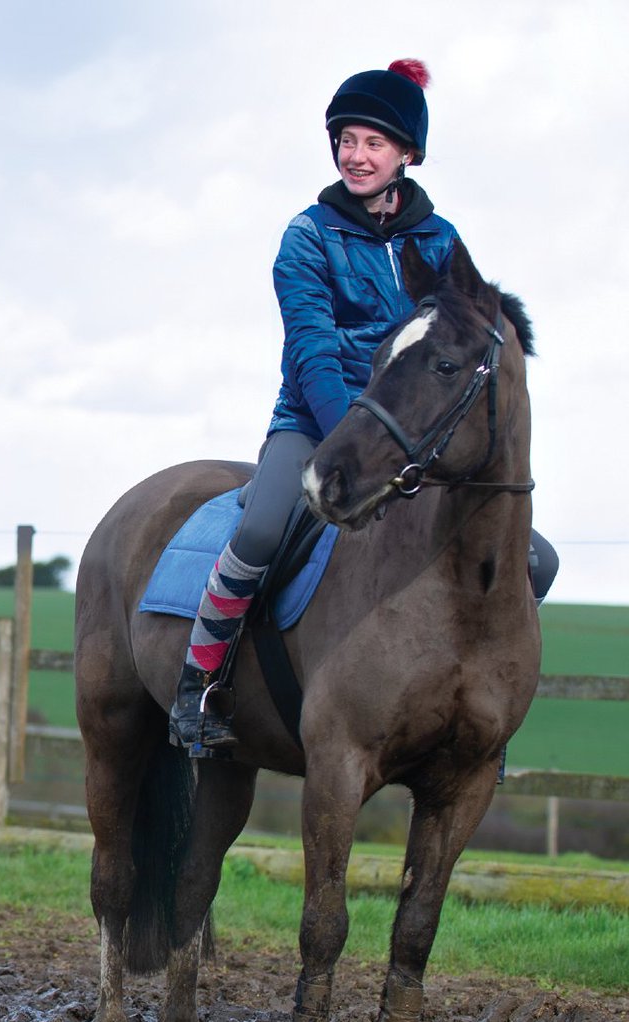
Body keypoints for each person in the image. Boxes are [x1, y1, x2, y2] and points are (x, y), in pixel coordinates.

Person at [169, 58, 558, 757]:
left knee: (535, 559)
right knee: (259, 531)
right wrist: (349, 436)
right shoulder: (307, 236)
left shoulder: (440, 243)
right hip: (316, 425)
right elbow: (312, 348)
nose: (356, 155)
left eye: (373, 143)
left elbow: (456, 355)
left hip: (412, 440)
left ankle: (486, 713)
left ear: (407, 153)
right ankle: (198, 686)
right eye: (346, 140)